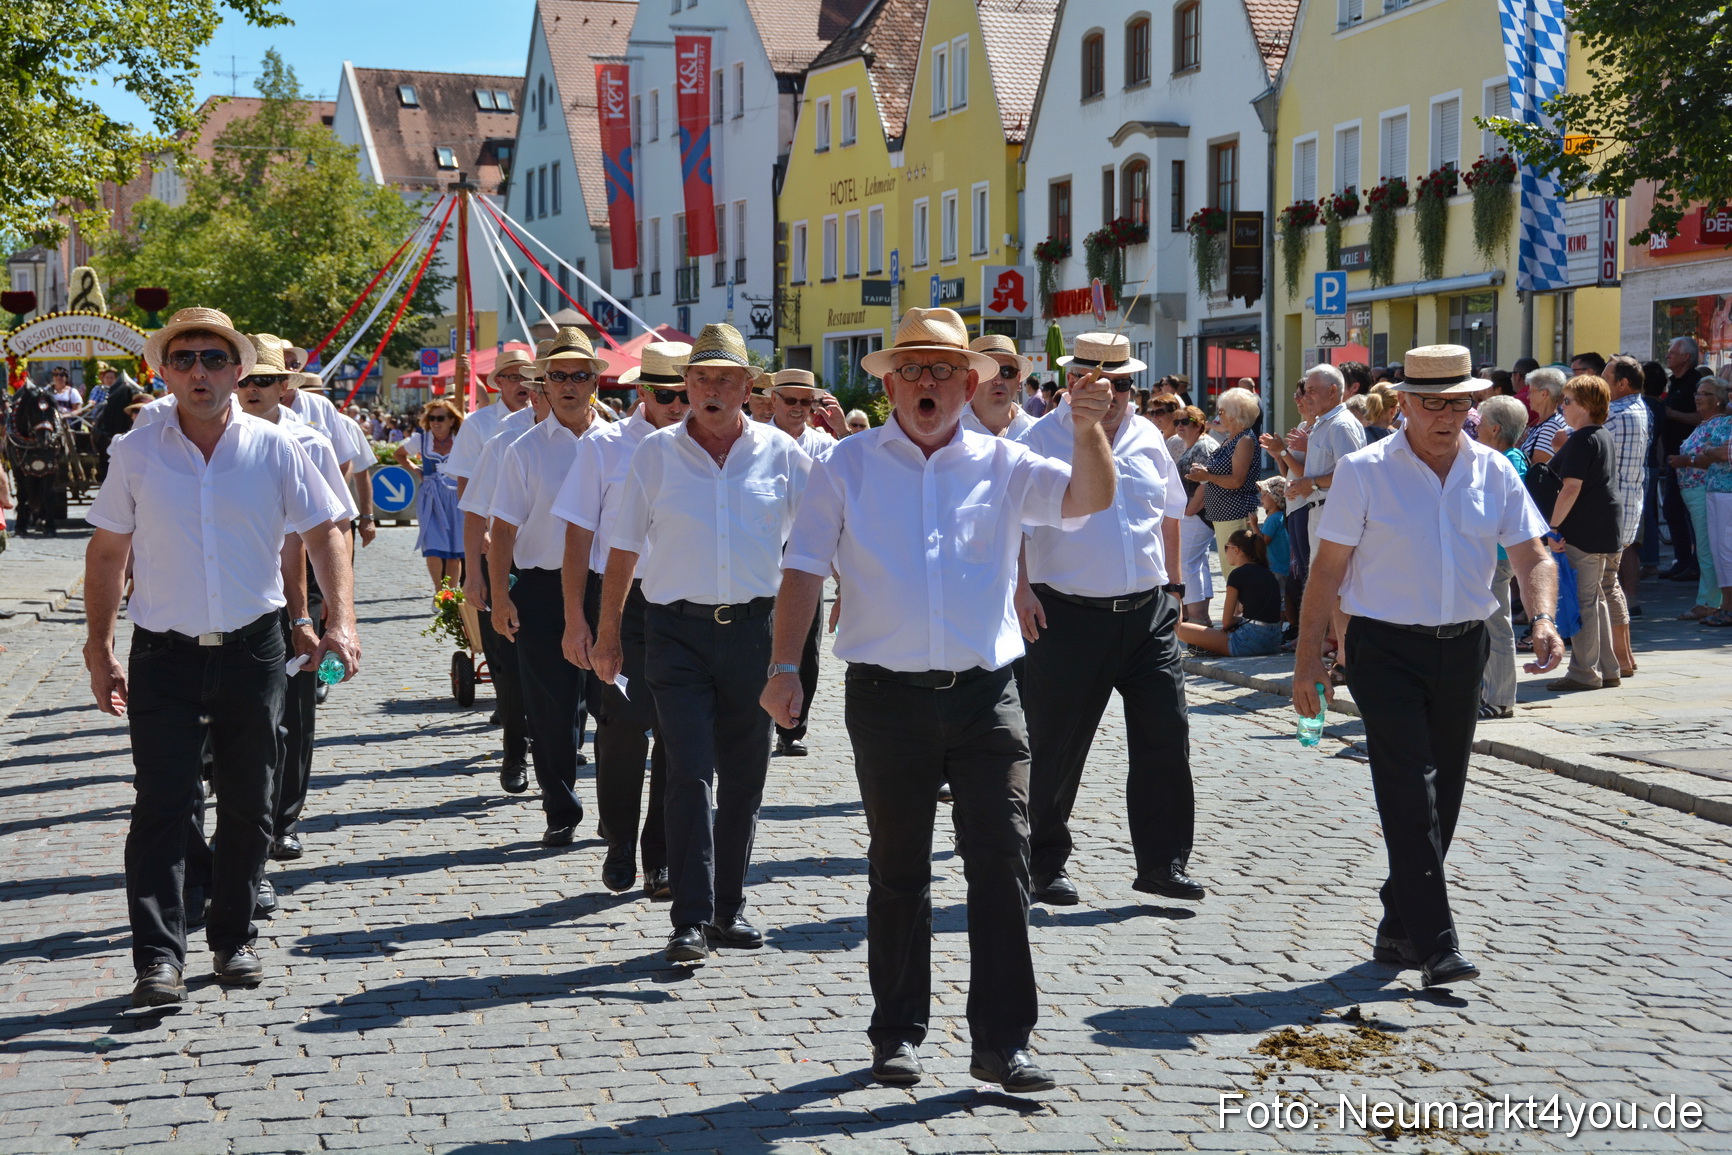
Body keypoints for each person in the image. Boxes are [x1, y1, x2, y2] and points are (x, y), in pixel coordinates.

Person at [761, 306, 1116, 1094]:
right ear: (889, 382)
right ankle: (896, 1033)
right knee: (898, 869)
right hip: (886, 699)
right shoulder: (845, 465)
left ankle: (1003, 1041)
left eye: (941, 370)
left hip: (988, 696)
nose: (926, 383)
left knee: (1004, 863)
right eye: (911, 369)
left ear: (968, 382)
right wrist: (785, 664)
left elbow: (1087, 500)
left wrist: (1088, 426)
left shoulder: (1003, 461)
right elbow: (802, 570)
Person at [82, 307, 359, 1006]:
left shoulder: (275, 447)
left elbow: (327, 531)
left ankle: (232, 936)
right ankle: (157, 957)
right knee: (164, 804)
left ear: (239, 370)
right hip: (164, 653)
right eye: (184, 360)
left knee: (248, 803)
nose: (198, 372)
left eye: (212, 358)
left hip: (252, 646)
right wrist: (97, 644)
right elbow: (108, 550)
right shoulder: (138, 451)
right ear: (164, 372)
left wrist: (340, 620)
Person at [1295, 344, 1561, 988]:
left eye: (1460, 403)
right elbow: (1326, 572)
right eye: (1433, 403)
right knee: (1409, 791)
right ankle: (1437, 943)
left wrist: (1543, 617)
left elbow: (1532, 554)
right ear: (1405, 405)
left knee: (1447, 795)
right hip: (1384, 648)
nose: (1447, 416)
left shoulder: (1494, 470)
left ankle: (1397, 922)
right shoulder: (1365, 470)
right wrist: (1309, 665)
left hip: (1463, 646)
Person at [594, 323, 812, 964]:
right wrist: (608, 635)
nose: (711, 390)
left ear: (750, 388)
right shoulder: (655, 454)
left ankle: (728, 908)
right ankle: (688, 918)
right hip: (675, 632)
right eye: (700, 378)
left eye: (725, 379)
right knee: (688, 772)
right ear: (684, 386)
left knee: (746, 776)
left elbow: (815, 544)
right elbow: (623, 549)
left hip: (754, 632)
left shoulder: (783, 454)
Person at [1016, 331, 1194, 910]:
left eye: (1123, 384)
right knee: (1055, 746)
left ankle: (1162, 862)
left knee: (1166, 734)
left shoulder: (1149, 437)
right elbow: (1012, 528)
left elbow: (1167, 516)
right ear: (1074, 384)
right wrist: (1020, 590)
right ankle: (1044, 863)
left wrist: (1174, 588)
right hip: (1066, 613)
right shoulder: (1037, 439)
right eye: (1102, 384)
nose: (1115, 395)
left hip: (1146, 613)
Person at [553, 341, 691, 897]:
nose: (680, 405)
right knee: (625, 729)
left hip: (684, 605)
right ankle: (619, 841)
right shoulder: (604, 448)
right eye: (667, 395)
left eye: (688, 394)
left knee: (678, 737)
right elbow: (577, 537)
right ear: (641, 393)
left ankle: (658, 856)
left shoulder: (704, 449)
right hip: (621, 603)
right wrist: (575, 620)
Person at [233, 335, 358, 895]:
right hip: (240, 594)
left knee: (296, 716)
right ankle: (247, 820)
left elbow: (337, 530)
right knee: (244, 728)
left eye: (263, 380)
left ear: (285, 384)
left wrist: (339, 612)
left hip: (301, 599)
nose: (251, 389)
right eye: (244, 379)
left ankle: (282, 820)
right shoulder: (211, 437)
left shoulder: (310, 439)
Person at [490, 327, 608, 847]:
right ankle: (560, 808)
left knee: (616, 709)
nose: (568, 385)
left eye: (578, 375)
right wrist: (498, 594)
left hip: (609, 588)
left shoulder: (622, 441)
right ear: (542, 383)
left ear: (594, 382)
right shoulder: (524, 450)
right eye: (557, 375)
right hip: (541, 588)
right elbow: (503, 529)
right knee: (551, 708)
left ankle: (616, 808)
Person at [459, 368, 550, 795]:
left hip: (581, 571)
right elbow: (476, 510)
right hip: (513, 565)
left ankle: (557, 744)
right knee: (512, 671)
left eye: (578, 379)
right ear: (536, 392)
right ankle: (515, 751)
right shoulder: (504, 441)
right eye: (553, 382)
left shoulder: (601, 436)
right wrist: (474, 576)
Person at [1544, 375, 1625, 692]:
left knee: (1584, 601)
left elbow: (1571, 487)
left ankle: (1583, 672)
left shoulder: (1582, 439)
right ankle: (1607, 669)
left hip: (1585, 528)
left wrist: (1552, 527)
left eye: (1567, 401)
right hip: (1604, 526)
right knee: (1596, 598)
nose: (1561, 406)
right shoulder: (1599, 435)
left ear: (1587, 405)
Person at [1475, 395, 1531, 719]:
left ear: (1495, 429)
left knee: (1496, 626)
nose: (1476, 430)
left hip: (1497, 553)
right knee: (1491, 624)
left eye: (1480, 424)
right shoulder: (1512, 457)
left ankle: (1499, 698)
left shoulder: (1503, 462)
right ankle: (1490, 693)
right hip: (1496, 552)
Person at [1667, 376, 1731, 620]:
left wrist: (1688, 461)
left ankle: (1710, 601)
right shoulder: (1704, 425)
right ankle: (1711, 600)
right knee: (1707, 548)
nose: (1697, 397)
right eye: (1697, 392)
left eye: (1705, 393)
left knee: (1709, 549)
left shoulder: (1720, 424)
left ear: (1718, 400)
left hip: (1707, 490)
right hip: (1696, 491)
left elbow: (1716, 457)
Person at [1187, 388, 1262, 576]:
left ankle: (1239, 606)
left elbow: (1237, 480)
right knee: (1231, 572)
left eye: (1221, 411)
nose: (1218, 415)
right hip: (1223, 514)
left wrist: (1207, 476)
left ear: (1234, 414)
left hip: (1235, 512)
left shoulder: (1244, 440)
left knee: (1235, 574)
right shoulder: (1232, 438)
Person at [1602, 356, 1651, 640]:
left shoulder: (1618, 413)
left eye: (1605, 379)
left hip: (1611, 509)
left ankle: (1619, 654)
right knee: (1608, 583)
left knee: (1605, 585)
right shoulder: (1636, 408)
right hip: (1624, 506)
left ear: (1622, 383)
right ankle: (1622, 655)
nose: (1601, 385)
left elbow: (1574, 441)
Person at [1175, 528, 1283, 657]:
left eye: (1226, 547)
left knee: (1177, 627)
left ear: (1236, 550)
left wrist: (1233, 623)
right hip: (1274, 641)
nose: (1225, 551)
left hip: (1249, 641)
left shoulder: (1237, 574)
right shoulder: (1268, 573)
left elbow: (1226, 622)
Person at [396, 399, 466, 591]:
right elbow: (399, 454)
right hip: (431, 497)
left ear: (451, 420)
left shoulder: (461, 438)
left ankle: (450, 595)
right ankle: (438, 591)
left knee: (455, 549)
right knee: (432, 546)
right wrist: (419, 472)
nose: (435, 422)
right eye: (432, 418)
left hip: (457, 496)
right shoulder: (422, 439)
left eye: (440, 418)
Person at [1660, 337, 1708, 580]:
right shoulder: (1673, 382)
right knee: (1671, 509)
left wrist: (1670, 413)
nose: (1667, 355)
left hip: (1693, 459)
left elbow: (1701, 418)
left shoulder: (1696, 384)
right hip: (1673, 456)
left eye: (1672, 352)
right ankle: (1682, 559)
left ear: (1686, 357)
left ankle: (1697, 564)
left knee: (1692, 512)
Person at [1171, 405, 1217, 625]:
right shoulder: (1194, 445)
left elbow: (1207, 482)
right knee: (1198, 563)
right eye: (1177, 422)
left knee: (1187, 564)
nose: (1180, 426)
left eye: (1185, 421)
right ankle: (1199, 616)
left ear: (1199, 425)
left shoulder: (1203, 446)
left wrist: (1190, 509)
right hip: (1195, 513)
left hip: (1197, 515)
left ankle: (1197, 617)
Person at [963, 335, 1037, 438]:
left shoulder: (1038, 431)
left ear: (1018, 380)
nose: (998, 381)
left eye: (1007, 372)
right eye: (989, 372)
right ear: (970, 381)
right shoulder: (948, 432)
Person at [1255, 476, 1295, 637]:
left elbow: (1263, 541)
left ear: (1275, 498)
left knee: (1277, 601)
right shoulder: (1282, 517)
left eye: (1265, 495)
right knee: (1284, 600)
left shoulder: (1272, 519)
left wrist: (1253, 525)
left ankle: (1274, 633)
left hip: (1276, 567)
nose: (1261, 498)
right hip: (1284, 566)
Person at [1519, 368, 1566, 465]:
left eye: (1531, 392)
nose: (1528, 397)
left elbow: (1538, 468)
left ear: (1544, 394)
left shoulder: (1552, 426)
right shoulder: (1546, 422)